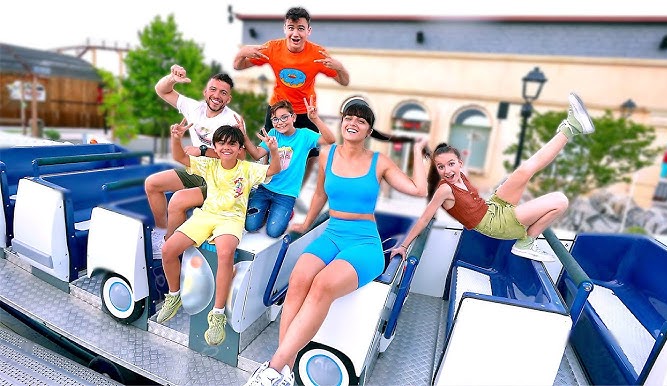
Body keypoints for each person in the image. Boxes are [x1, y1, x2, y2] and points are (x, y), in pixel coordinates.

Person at [244, 102, 429, 386]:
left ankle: (273, 367)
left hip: (364, 242)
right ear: (342, 122)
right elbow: (320, 194)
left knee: (322, 285)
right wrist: (305, 225)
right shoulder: (328, 154)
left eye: (361, 120)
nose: (353, 122)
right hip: (333, 233)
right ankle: (285, 370)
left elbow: (419, 190)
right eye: (349, 117)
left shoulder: (379, 161)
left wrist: (417, 151)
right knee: (299, 279)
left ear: (368, 129)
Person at [392, 92, 596, 263]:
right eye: (441, 167)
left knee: (525, 169)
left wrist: (424, 148)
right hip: (495, 224)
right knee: (560, 200)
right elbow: (424, 218)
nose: (447, 170)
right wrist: (402, 246)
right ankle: (525, 243)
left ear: (459, 163)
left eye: (451, 164)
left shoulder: (461, 175)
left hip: (494, 205)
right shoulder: (445, 190)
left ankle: (571, 127)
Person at [156, 119, 280, 346]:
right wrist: (176, 137)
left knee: (225, 254)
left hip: (230, 220)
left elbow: (274, 169)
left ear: (240, 148)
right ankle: (174, 296)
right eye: (221, 143)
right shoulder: (209, 165)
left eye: (232, 144)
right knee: (168, 249)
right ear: (215, 146)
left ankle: (218, 314)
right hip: (206, 215)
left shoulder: (247, 168)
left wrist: (272, 149)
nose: (226, 148)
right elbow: (180, 158)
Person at [233, 6, 352, 189]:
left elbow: (344, 81)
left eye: (301, 28)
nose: (295, 33)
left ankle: (294, 192)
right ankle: (262, 187)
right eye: (291, 27)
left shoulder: (317, 54)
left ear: (308, 31)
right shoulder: (273, 48)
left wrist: (340, 67)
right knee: (267, 148)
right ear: (285, 28)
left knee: (309, 155)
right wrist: (242, 52)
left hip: (306, 112)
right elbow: (238, 66)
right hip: (277, 109)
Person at [145, 64, 240, 258]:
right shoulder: (194, 108)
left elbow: (240, 156)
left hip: (220, 179)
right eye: (213, 89)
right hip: (197, 170)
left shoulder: (232, 120)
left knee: (178, 201)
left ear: (228, 99)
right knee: (152, 184)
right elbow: (161, 90)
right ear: (205, 92)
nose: (217, 95)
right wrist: (172, 78)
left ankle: (169, 248)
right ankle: (162, 232)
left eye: (223, 93)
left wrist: (203, 150)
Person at [240, 98, 335, 238]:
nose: (280, 122)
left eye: (284, 117)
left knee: (274, 232)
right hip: (266, 188)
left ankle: (286, 212)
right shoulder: (273, 133)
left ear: (293, 117)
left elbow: (330, 140)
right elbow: (256, 154)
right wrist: (243, 135)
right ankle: (267, 209)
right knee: (250, 226)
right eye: (275, 119)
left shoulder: (305, 135)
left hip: (286, 194)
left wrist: (314, 119)